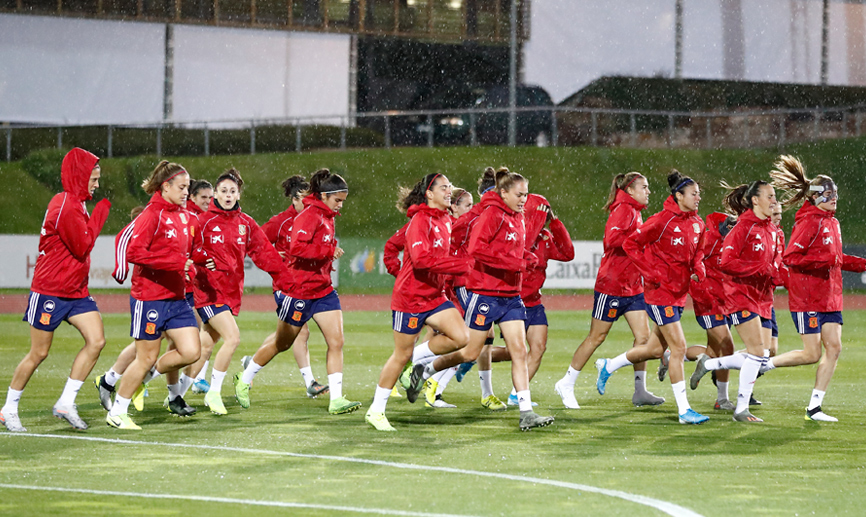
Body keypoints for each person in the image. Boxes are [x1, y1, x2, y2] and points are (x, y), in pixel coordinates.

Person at [405, 168, 555, 431]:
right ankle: (425, 371)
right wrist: (515, 263)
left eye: (526, 194)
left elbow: (513, 251)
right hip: (486, 294)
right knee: (470, 352)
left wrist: (526, 257)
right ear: (503, 193)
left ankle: (526, 412)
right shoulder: (492, 214)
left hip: (511, 296)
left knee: (520, 351)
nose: (524, 200)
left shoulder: (518, 217)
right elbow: (477, 250)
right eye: (519, 195)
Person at [233, 169, 361, 415]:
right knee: (282, 343)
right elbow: (298, 248)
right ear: (324, 196)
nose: (340, 205)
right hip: (298, 290)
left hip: (323, 290)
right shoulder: (309, 215)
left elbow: (319, 246)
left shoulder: (328, 216)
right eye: (337, 200)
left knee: (336, 342)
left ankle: (336, 399)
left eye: (343, 201)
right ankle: (245, 379)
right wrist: (327, 252)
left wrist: (327, 257)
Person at [1, 148, 110, 432]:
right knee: (39, 353)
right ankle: (8, 408)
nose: (97, 185)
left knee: (97, 340)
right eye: (93, 179)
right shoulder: (65, 205)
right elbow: (82, 246)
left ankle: (66, 402)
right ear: (80, 177)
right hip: (50, 290)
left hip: (76, 291)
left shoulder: (77, 203)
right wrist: (101, 214)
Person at [594, 170, 709, 425]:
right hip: (660, 295)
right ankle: (684, 411)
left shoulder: (698, 224)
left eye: (699, 193)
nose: (698, 197)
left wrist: (698, 268)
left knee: (655, 349)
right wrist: (651, 273)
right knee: (679, 348)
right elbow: (630, 244)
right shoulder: (661, 221)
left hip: (678, 295)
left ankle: (608, 365)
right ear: (679, 196)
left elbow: (698, 253)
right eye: (693, 194)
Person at [757, 156, 865, 421]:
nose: (834, 198)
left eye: (835, 193)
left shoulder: (832, 222)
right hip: (808, 298)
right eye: (828, 194)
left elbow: (837, 259)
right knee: (811, 354)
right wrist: (823, 260)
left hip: (830, 298)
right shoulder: (809, 221)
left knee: (834, 348)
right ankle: (763, 365)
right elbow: (791, 257)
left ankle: (814, 408)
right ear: (815, 196)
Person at [105, 161, 210, 430]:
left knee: (191, 351)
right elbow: (135, 253)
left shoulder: (187, 217)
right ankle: (117, 412)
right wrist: (176, 263)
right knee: (146, 357)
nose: (186, 192)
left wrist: (204, 261)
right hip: (149, 297)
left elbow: (193, 251)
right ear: (165, 187)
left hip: (177, 298)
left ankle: (142, 378)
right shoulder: (152, 214)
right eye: (182, 187)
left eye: (188, 187)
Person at [365, 173, 471, 431]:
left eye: (450, 186)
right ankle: (376, 411)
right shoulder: (420, 221)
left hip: (435, 297)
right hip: (410, 300)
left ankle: (418, 366)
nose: (449, 191)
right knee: (400, 355)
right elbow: (422, 260)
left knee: (461, 337)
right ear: (429, 194)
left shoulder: (445, 220)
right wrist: (462, 266)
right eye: (444, 187)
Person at [554, 172, 664, 409]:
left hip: (633, 287)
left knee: (643, 338)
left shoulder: (634, 211)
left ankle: (640, 391)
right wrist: (641, 236)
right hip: (612, 286)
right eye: (644, 187)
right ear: (631, 190)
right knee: (597, 337)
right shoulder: (623, 209)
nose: (648, 191)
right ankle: (566, 383)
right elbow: (611, 240)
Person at [189, 168, 287, 415]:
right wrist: (198, 264)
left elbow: (264, 252)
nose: (228, 195)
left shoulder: (246, 223)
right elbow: (188, 250)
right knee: (233, 338)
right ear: (215, 194)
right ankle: (214, 393)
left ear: (239, 194)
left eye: (232, 191)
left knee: (203, 348)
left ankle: (173, 392)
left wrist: (285, 277)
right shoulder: (203, 221)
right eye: (223, 191)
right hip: (209, 293)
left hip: (230, 294)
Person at [689, 180, 780, 423]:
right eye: (770, 196)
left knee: (762, 354)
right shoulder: (743, 228)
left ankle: (709, 364)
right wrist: (760, 269)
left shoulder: (771, 229)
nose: (774, 200)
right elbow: (727, 262)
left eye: (775, 196)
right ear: (755, 200)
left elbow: (771, 266)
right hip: (741, 296)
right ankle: (741, 409)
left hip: (763, 298)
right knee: (756, 353)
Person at [242, 175, 329, 399]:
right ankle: (310, 382)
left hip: (306, 286)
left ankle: (252, 362)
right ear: (293, 199)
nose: (307, 203)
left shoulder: (314, 218)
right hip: (286, 286)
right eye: (302, 199)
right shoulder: (281, 221)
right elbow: (254, 241)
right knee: (300, 331)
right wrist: (272, 256)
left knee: (285, 337)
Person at [682, 207, 737, 411]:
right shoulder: (708, 238)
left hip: (725, 301)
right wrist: (701, 293)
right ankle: (722, 399)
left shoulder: (736, 237)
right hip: (708, 302)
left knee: (713, 351)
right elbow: (691, 264)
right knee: (727, 347)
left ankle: (671, 357)